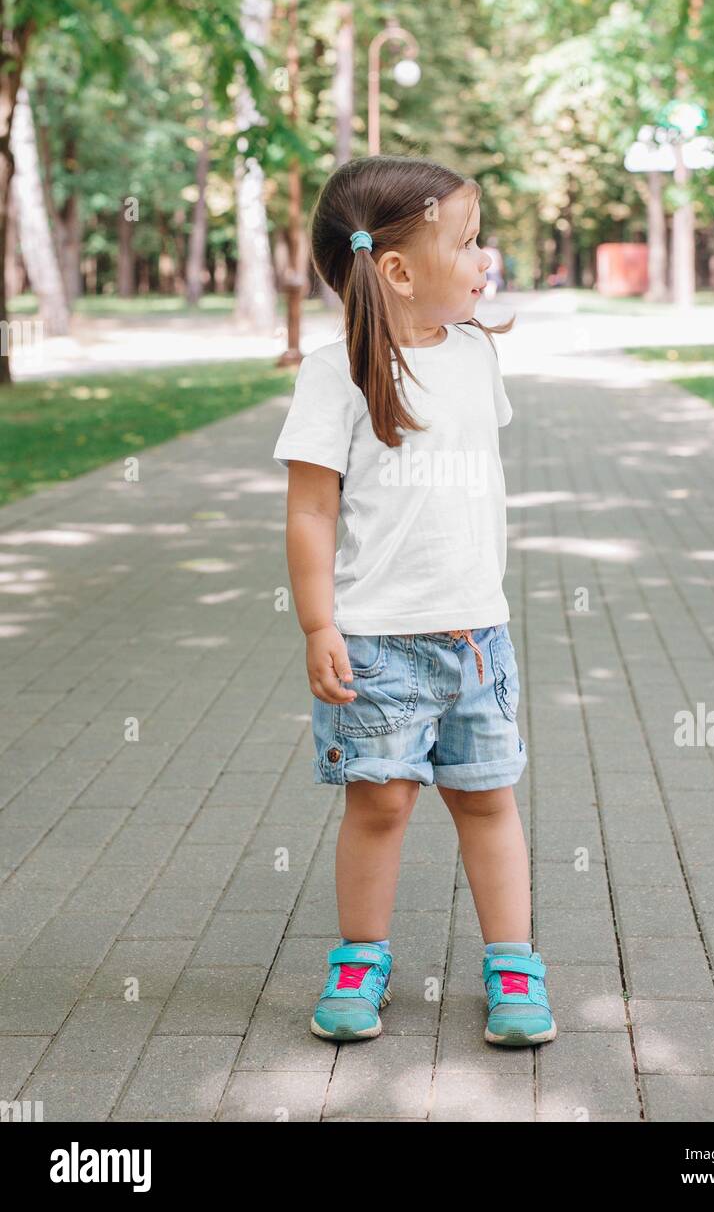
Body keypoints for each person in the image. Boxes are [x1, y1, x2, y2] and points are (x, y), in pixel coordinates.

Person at [273, 155, 556, 1049]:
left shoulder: (475, 355)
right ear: (396, 270)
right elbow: (313, 507)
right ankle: (360, 959)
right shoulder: (336, 373)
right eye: (467, 243)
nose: (486, 260)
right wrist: (319, 622)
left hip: (477, 637)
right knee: (381, 804)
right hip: (378, 645)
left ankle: (513, 964)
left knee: (487, 800)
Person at [482, 234, 505, 298]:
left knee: (488, 282)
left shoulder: (484, 250)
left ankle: (488, 295)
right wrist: (501, 270)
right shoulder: (496, 251)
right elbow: (499, 261)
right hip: (494, 270)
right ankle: (490, 295)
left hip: (486, 269)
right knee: (493, 282)